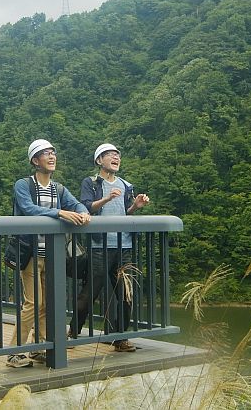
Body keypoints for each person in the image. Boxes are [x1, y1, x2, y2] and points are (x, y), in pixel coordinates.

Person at [6, 139, 91, 368]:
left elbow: (77, 205)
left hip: (52, 255)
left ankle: (41, 347)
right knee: (33, 303)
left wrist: (83, 214)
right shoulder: (24, 185)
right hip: (31, 253)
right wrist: (60, 213)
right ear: (35, 160)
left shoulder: (59, 188)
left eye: (53, 152)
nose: (52, 156)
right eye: (46, 153)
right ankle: (15, 352)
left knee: (46, 304)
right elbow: (28, 209)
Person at [68, 143, 150, 352]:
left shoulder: (125, 185)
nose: (116, 157)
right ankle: (73, 332)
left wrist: (135, 207)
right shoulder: (92, 182)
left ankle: (120, 338)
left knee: (125, 293)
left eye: (117, 155)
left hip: (124, 246)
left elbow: (125, 212)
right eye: (110, 155)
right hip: (99, 246)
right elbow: (85, 207)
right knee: (89, 293)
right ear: (99, 161)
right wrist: (106, 198)